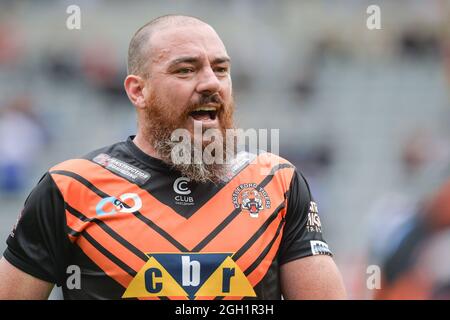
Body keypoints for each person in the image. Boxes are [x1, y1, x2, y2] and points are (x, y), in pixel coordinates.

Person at [0, 15, 346, 300]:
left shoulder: (279, 182)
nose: (211, 83)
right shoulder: (70, 188)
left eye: (221, 69)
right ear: (138, 91)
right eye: (186, 70)